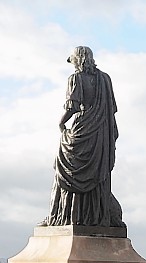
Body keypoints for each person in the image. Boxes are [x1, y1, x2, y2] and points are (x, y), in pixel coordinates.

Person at [41, 46, 123, 229]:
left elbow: (73, 106)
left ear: (77, 59)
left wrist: (61, 124)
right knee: (96, 174)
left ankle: (63, 216)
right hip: (100, 133)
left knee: (65, 171)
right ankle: (95, 216)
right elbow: (112, 109)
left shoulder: (75, 79)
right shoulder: (104, 79)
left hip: (82, 128)